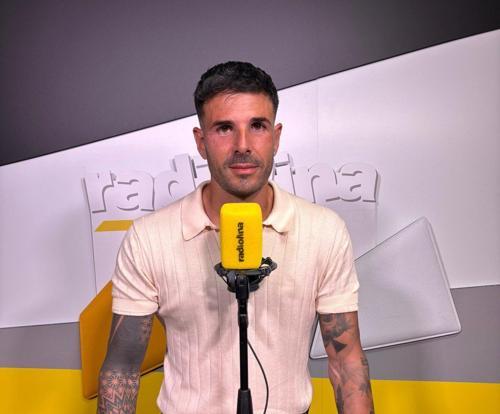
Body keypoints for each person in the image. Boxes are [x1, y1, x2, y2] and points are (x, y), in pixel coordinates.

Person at [97, 61, 375, 414]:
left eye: (257, 126)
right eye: (224, 128)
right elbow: (122, 368)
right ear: (201, 142)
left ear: (275, 137)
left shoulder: (324, 230)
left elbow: (346, 361)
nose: (242, 145)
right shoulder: (148, 238)